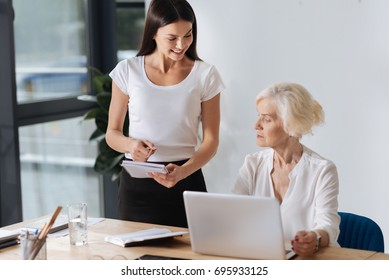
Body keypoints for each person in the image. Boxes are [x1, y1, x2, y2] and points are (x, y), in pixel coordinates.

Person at [106, 0, 225, 228]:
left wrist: (183, 172)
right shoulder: (127, 71)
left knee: (193, 260)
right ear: (153, 33)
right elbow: (112, 134)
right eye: (172, 38)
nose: (181, 45)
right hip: (138, 187)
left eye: (188, 35)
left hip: (187, 181)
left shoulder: (205, 74)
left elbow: (211, 142)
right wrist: (131, 146)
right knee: (137, 261)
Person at [231, 82, 340, 256]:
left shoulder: (322, 170)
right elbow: (231, 213)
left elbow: (329, 225)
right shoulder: (252, 164)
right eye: (258, 116)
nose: (256, 125)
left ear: (291, 126)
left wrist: (315, 238)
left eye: (266, 119)